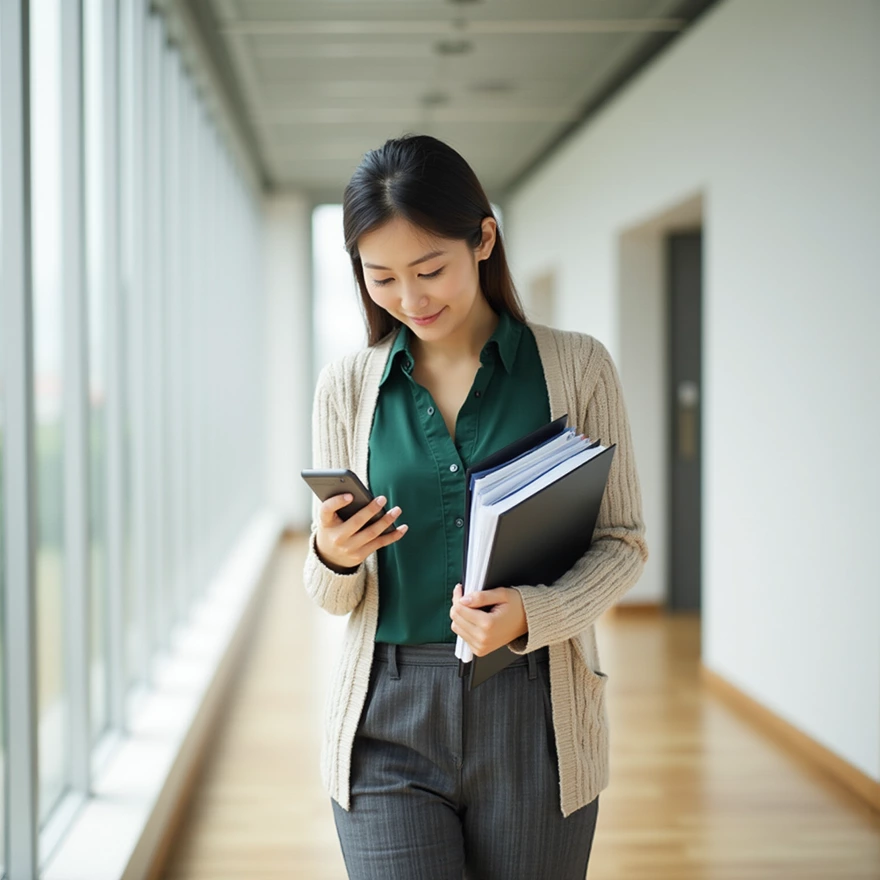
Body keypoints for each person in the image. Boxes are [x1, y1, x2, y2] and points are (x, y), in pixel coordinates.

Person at [303, 132, 648, 880]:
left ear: (484, 238)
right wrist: (333, 556)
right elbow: (331, 594)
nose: (410, 299)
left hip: (536, 707)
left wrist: (533, 613)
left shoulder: (577, 366)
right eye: (382, 277)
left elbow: (623, 541)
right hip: (385, 713)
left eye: (430, 270)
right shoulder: (347, 387)